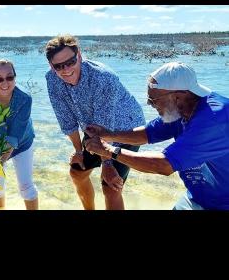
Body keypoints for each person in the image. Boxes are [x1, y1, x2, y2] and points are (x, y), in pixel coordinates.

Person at [84, 62, 229, 210]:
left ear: (178, 97)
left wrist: (108, 151)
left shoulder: (214, 119)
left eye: (153, 100)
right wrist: (108, 134)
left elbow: (163, 165)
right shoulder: (182, 109)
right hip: (198, 198)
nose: (148, 103)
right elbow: (147, 133)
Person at [45, 34, 145, 210]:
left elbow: (105, 128)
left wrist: (107, 164)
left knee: (111, 186)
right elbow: (66, 120)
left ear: (80, 56)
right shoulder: (52, 79)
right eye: (59, 66)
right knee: (77, 172)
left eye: (70, 62)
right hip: (93, 128)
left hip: (127, 128)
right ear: (51, 66)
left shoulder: (103, 78)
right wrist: (78, 151)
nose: (66, 69)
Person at [0, 59, 38, 210]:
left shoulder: (25, 98)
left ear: (15, 78)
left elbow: (16, 134)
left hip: (23, 143)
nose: (5, 83)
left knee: (26, 186)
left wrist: (1, 161)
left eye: (9, 77)